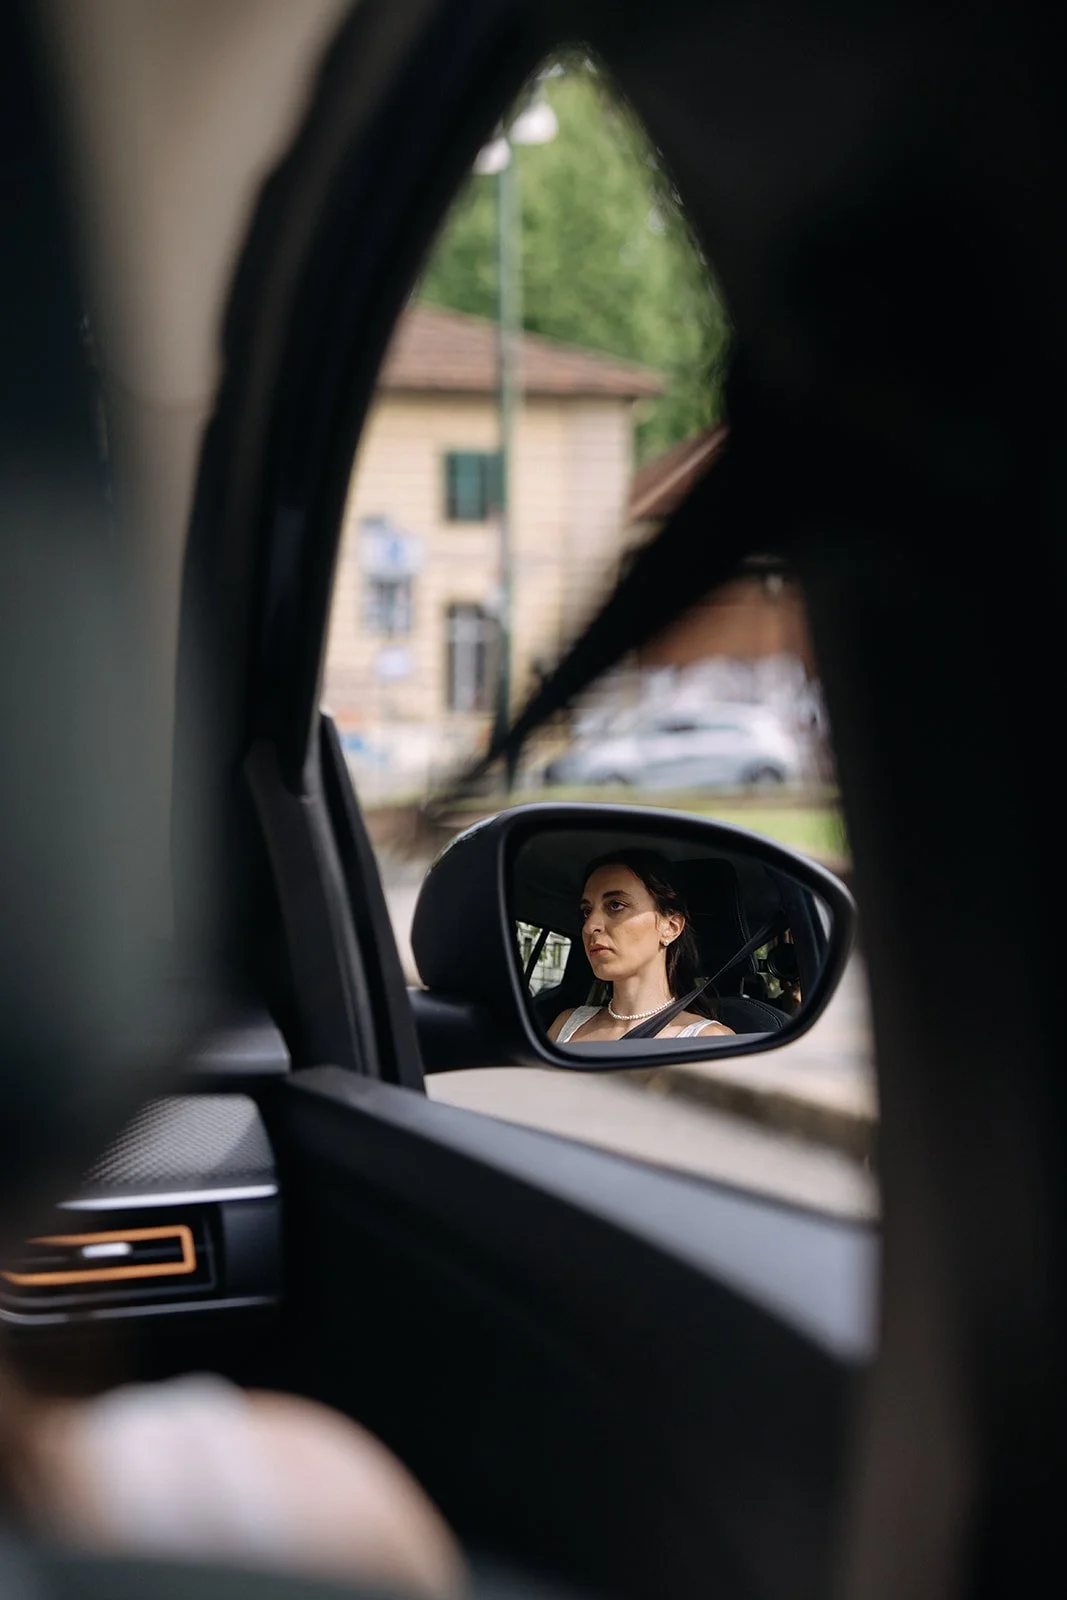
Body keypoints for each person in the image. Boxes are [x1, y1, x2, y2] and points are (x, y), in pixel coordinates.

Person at [548, 850, 735, 1044]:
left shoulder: (709, 1039)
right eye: (587, 911)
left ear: (670, 928)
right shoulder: (566, 1024)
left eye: (615, 905)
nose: (589, 926)